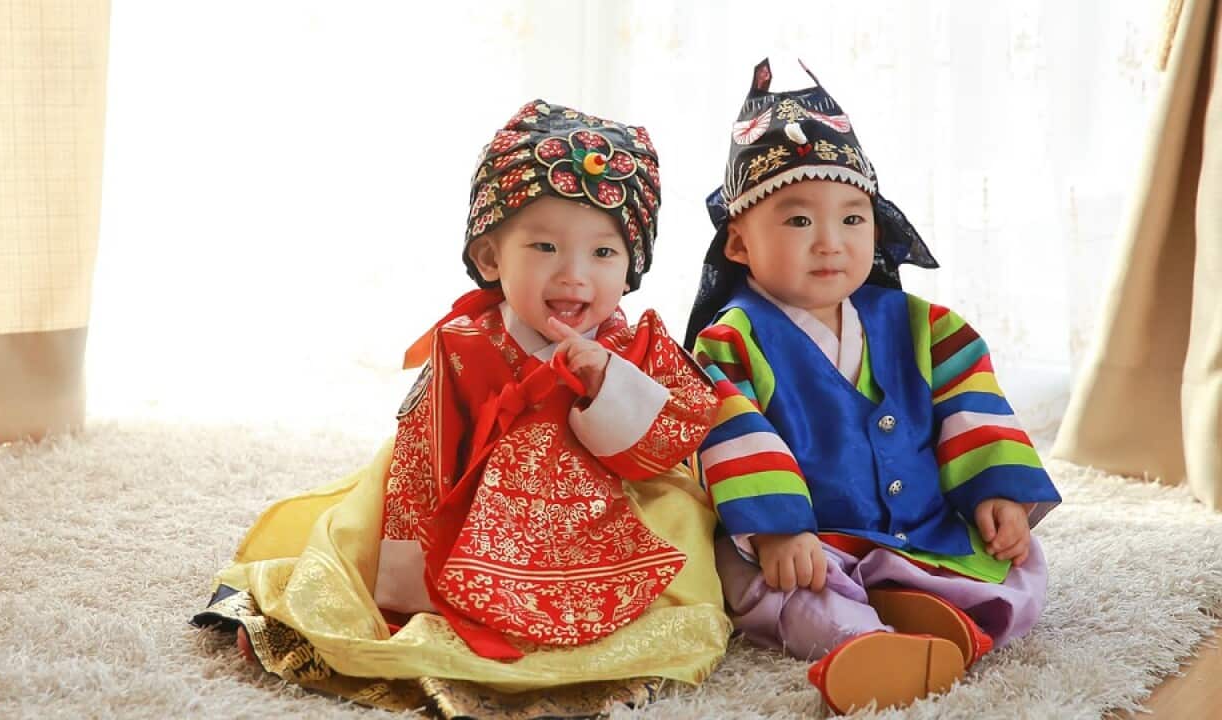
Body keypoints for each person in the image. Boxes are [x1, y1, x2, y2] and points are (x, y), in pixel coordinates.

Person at [192, 100, 729, 718]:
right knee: (355, 546)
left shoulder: (631, 345)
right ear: (490, 257)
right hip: (462, 501)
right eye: (546, 246)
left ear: (632, 265)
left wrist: (607, 382)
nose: (575, 276)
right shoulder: (466, 345)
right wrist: (405, 594)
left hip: (603, 504)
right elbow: (424, 455)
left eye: (604, 254)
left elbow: (671, 437)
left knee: (682, 524)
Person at [685, 59, 1063, 715]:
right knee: (764, 586)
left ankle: (940, 618)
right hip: (813, 544)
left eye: (853, 220)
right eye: (798, 222)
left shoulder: (925, 326)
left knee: (1023, 570)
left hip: (921, 528)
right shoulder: (733, 341)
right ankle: (863, 641)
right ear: (739, 245)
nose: (830, 243)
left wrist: (995, 492)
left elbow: (971, 406)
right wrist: (778, 531)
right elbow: (732, 433)